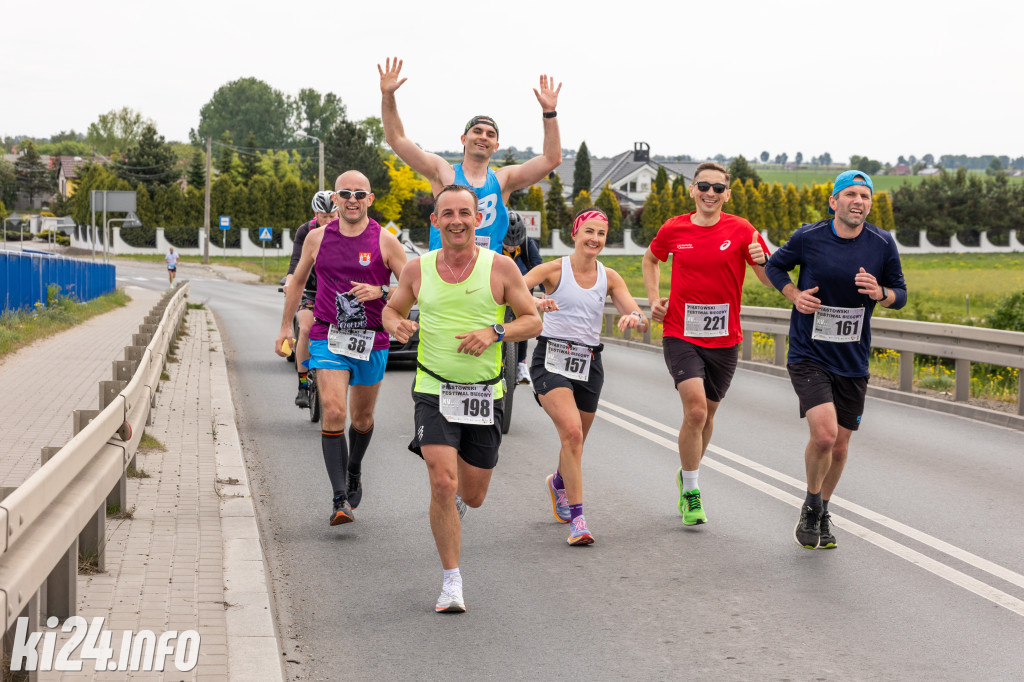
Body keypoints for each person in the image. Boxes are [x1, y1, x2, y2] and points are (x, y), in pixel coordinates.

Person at [382, 185, 542, 613]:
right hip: (434, 389)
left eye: (465, 213)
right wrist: (396, 324)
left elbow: (532, 320)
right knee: (442, 481)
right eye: (447, 213)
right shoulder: (418, 269)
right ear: (435, 221)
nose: (457, 220)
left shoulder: (502, 267)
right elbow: (392, 309)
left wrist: (496, 332)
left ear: (477, 219)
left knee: (472, 494)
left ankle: (454, 506)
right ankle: (451, 581)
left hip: (484, 394)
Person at [764, 170, 907, 550]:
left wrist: (881, 293)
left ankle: (824, 508)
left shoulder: (881, 243)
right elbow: (774, 266)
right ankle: (811, 504)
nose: (858, 201)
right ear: (834, 202)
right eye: (851, 195)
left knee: (841, 446)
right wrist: (794, 294)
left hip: (852, 358)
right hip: (809, 352)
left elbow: (901, 293)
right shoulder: (808, 237)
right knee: (824, 435)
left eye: (866, 196)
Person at [642, 162, 773, 525]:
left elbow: (767, 278)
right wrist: (653, 299)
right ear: (693, 190)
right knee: (696, 410)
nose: (710, 193)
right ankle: (692, 489)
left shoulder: (742, 229)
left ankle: (686, 472)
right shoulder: (675, 228)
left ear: (727, 194)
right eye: (704, 186)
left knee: (708, 415)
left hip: (725, 338)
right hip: (680, 332)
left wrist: (767, 259)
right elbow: (651, 258)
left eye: (718, 188)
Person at [275, 171, 408, 525]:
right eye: (345, 193)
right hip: (327, 335)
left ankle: (354, 469)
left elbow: (414, 286)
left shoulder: (386, 241)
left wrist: (380, 292)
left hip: (372, 340)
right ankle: (339, 499)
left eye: (359, 193)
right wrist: (284, 328)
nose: (352, 199)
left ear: (370, 198)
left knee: (362, 419)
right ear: (335, 199)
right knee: (334, 411)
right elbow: (297, 280)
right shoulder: (317, 238)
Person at [526, 208, 648, 545]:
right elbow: (511, 289)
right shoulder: (553, 269)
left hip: (589, 364)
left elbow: (636, 312)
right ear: (575, 233)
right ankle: (578, 522)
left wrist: (634, 317)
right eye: (589, 231)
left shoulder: (609, 277)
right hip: (550, 358)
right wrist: (536, 301)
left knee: (575, 442)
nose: (595, 239)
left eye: (601, 234)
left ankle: (559, 483)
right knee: (573, 434)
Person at [379, 56, 562, 253]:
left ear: (496, 146)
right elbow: (396, 139)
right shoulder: (443, 172)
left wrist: (549, 113)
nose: (483, 137)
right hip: (443, 271)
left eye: (490, 134)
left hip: (484, 274)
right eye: (477, 131)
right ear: (463, 139)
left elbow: (552, 159)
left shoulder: (503, 180)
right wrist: (388, 95)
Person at [284, 190, 339, 408]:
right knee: (306, 328)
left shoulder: (346, 231)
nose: (327, 221)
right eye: (323, 216)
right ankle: (303, 385)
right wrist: (290, 282)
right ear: (315, 213)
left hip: (335, 291)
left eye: (332, 217)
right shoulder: (305, 231)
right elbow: (295, 263)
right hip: (309, 289)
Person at [502, 211, 543, 384]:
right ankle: (496, 363)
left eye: (514, 244)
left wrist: (547, 291)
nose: (511, 248)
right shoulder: (494, 244)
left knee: (525, 321)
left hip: (523, 288)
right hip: (500, 289)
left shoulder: (527, 244)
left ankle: (520, 363)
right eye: (507, 244)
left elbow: (539, 267)